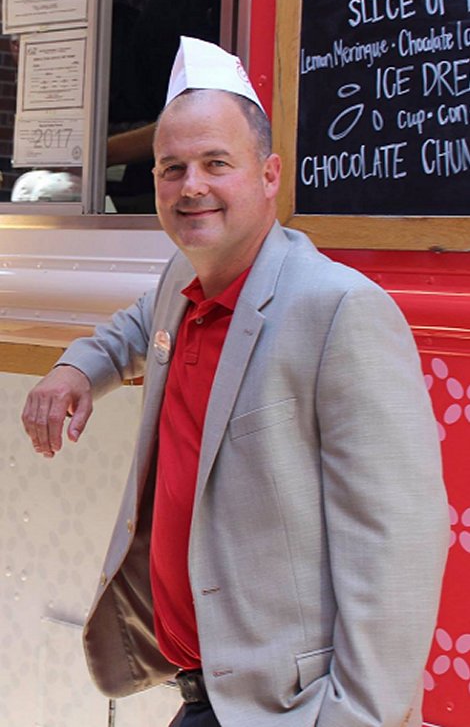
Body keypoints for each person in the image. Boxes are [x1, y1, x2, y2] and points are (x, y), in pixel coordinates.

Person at [22, 37, 449, 727]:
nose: (191, 186)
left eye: (217, 163)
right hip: (201, 689)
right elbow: (132, 329)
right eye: (172, 168)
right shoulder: (180, 279)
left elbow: (397, 548)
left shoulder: (338, 310)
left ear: (270, 173)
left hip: (291, 709)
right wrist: (77, 368)